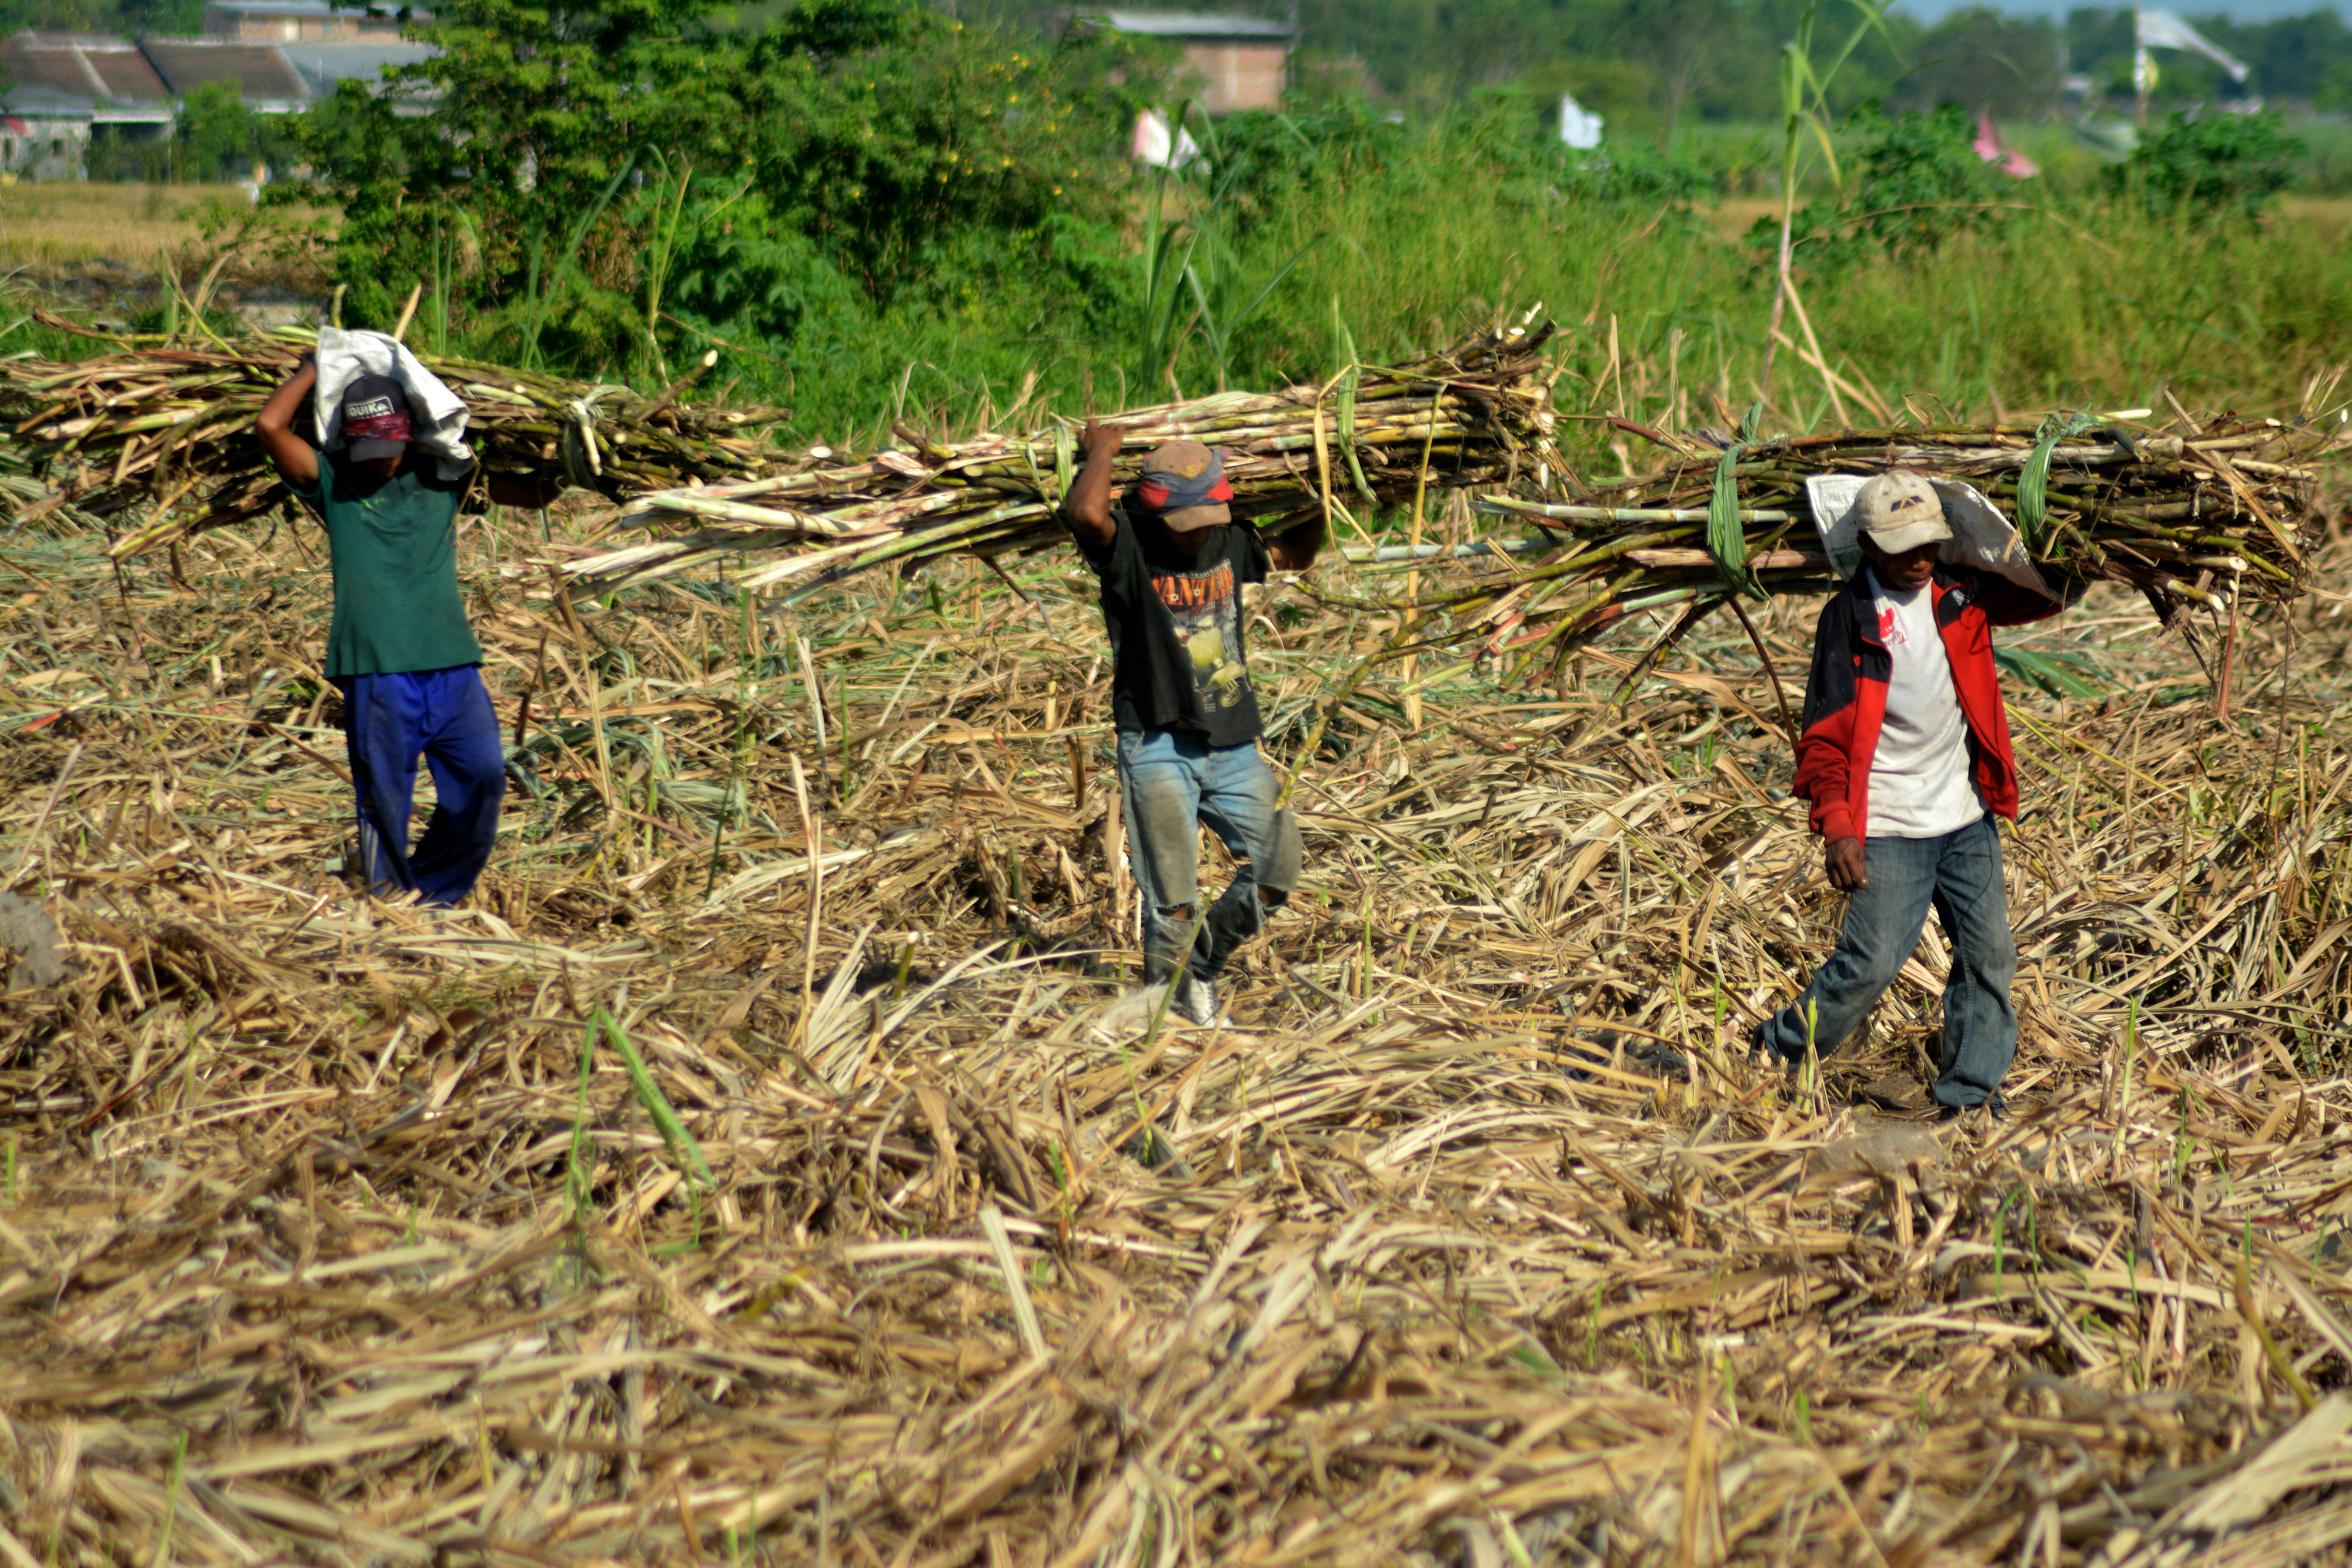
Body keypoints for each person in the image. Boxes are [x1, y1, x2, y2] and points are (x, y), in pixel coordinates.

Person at [1754, 470, 2069, 1116]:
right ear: (1868, 546)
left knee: (1989, 960)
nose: (1919, 558)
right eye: (1903, 548)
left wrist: (2082, 548)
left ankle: (1969, 1095)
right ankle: (1771, 1056)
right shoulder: (1848, 618)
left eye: (1929, 543)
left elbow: (2046, 593)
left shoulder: (1961, 595)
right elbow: (1822, 739)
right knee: (1866, 969)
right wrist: (1838, 827)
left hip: (1964, 818)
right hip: (1890, 827)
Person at [256, 355, 560, 907]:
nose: (382, 463)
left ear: (410, 432)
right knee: (384, 799)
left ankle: (435, 888)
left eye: (391, 448)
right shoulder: (333, 483)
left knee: (485, 777)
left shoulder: (445, 476)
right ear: (348, 442)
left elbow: (538, 495)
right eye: (369, 451)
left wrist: (567, 454)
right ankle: (386, 901)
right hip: (376, 670)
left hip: (453, 666)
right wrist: (310, 370)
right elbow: (270, 427)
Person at [1063, 420, 1324, 1025]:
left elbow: (1299, 552)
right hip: (1157, 742)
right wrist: (1103, 447)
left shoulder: (1228, 540)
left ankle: (1198, 970)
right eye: (1183, 528)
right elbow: (1084, 514)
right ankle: (1168, 1017)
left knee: (1276, 868)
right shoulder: (1128, 547)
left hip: (1233, 741)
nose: (1194, 539)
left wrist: (1322, 485)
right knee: (1173, 902)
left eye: (1205, 524)